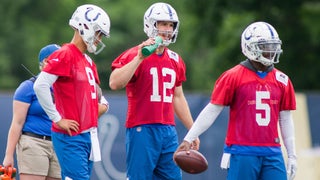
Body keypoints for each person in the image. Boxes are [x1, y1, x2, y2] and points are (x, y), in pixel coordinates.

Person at [175, 21, 297, 180]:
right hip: (242, 151)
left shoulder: (282, 80)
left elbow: (285, 119)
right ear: (249, 47)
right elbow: (212, 110)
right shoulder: (233, 76)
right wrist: (189, 138)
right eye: (265, 46)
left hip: (272, 152)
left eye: (272, 46)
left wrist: (292, 155)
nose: (270, 51)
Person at [109, 2, 199, 180]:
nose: (167, 29)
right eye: (163, 24)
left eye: (171, 25)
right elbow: (114, 82)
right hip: (142, 128)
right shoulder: (135, 53)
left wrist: (193, 130)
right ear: (151, 25)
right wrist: (139, 58)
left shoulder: (175, 59)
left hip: (168, 130)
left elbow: (178, 97)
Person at [33, 4, 110, 180]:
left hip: (88, 135)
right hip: (71, 136)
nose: (99, 39)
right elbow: (40, 85)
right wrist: (57, 119)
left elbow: (95, 95)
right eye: (98, 33)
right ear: (85, 26)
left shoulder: (89, 61)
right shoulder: (66, 53)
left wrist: (102, 105)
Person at [2, 44, 61, 180]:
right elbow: (17, 123)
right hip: (34, 142)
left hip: (58, 143)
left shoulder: (64, 88)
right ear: (46, 61)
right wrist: (9, 155)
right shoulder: (28, 87)